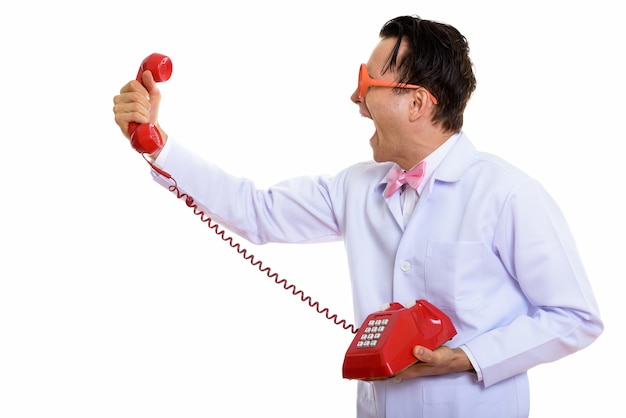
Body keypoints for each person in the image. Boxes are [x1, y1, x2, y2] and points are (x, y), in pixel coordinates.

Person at [112, 15, 603, 418]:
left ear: (416, 102)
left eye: (368, 83)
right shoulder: (356, 186)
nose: (355, 97)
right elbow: (254, 209)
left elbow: (576, 316)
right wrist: (157, 144)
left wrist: (465, 358)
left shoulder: (508, 193)